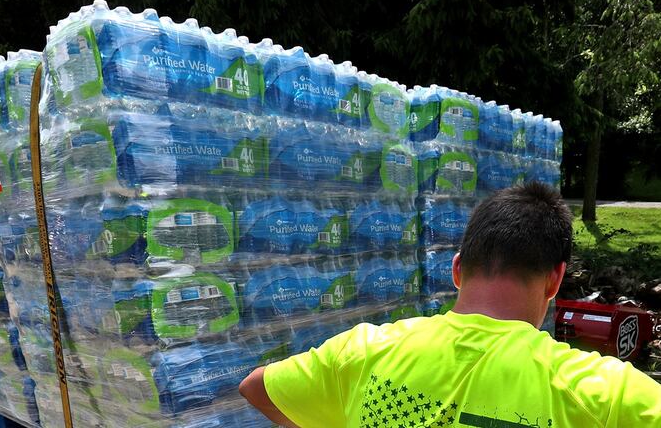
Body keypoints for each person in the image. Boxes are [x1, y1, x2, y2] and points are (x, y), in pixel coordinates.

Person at [239, 182, 661, 427]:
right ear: (555, 279)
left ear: (457, 269)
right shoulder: (601, 393)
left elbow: (257, 387)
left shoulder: (366, 350)